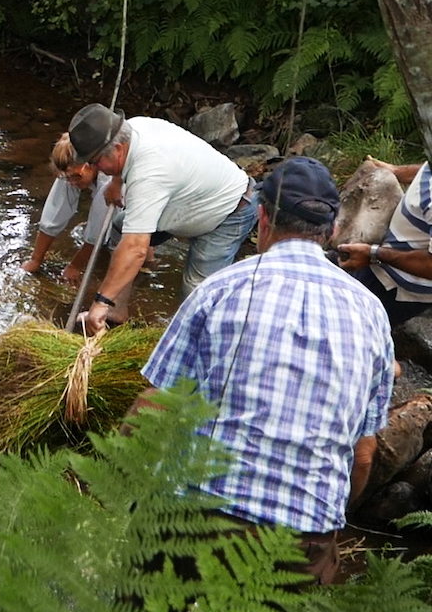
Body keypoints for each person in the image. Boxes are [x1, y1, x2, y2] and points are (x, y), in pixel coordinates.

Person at [129, 156, 394, 585]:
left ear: (263, 218)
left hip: (196, 523)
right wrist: (325, 526)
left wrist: (117, 480)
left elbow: (153, 408)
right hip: (301, 541)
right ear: (332, 231)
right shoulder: (372, 313)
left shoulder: (220, 287)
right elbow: (362, 455)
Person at [68, 103, 257, 334]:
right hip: (185, 198)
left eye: (95, 162)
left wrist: (100, 302)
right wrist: (117, 182)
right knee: (120, 227)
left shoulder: (149, 173)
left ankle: (196, 352)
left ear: (116, 148)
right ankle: (117, 310)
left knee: (196, 297)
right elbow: (124, 164)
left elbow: (136, 248)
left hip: (228, 211)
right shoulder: (131, 129)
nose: (94, 168)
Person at [337, 158, 432, 325]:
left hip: (394, 285)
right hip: (376, 255)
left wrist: (374, 255)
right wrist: (395, 171)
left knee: (344, 325)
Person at [22, 134, 121, 284]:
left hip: (144, 182)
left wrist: (75, 266)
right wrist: (35, 260)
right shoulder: (70, 168)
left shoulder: (108, 177)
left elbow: (98, 230)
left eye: (76, 177)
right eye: (67, 178)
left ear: (91, 164)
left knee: (121, 237)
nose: (71, 183)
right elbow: (54, 212)